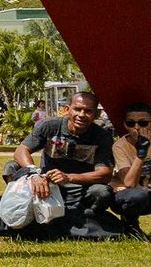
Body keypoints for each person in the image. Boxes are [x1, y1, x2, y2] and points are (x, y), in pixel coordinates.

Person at [11, 91, 115, 234]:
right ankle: (21, 208)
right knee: (11, 167)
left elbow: (105, 174)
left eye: (88, 111)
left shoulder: (102, 136)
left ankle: (85, 218)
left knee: (102, 192)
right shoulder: (50, 126)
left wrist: (69, 177)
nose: (82, 115)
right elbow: (21, 150)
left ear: (96, 114)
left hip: (80, 188)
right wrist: (34, 173)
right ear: (67, 109)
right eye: (77, 109)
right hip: (46, 186)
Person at [110, 102, 151, 235]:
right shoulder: (120, 146)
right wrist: (141, 153)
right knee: (137, 196)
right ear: (124, 125)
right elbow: (129, 183)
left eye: (143, 123)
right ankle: (130, 225)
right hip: (128, 196)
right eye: (131, 123)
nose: (137, 127)